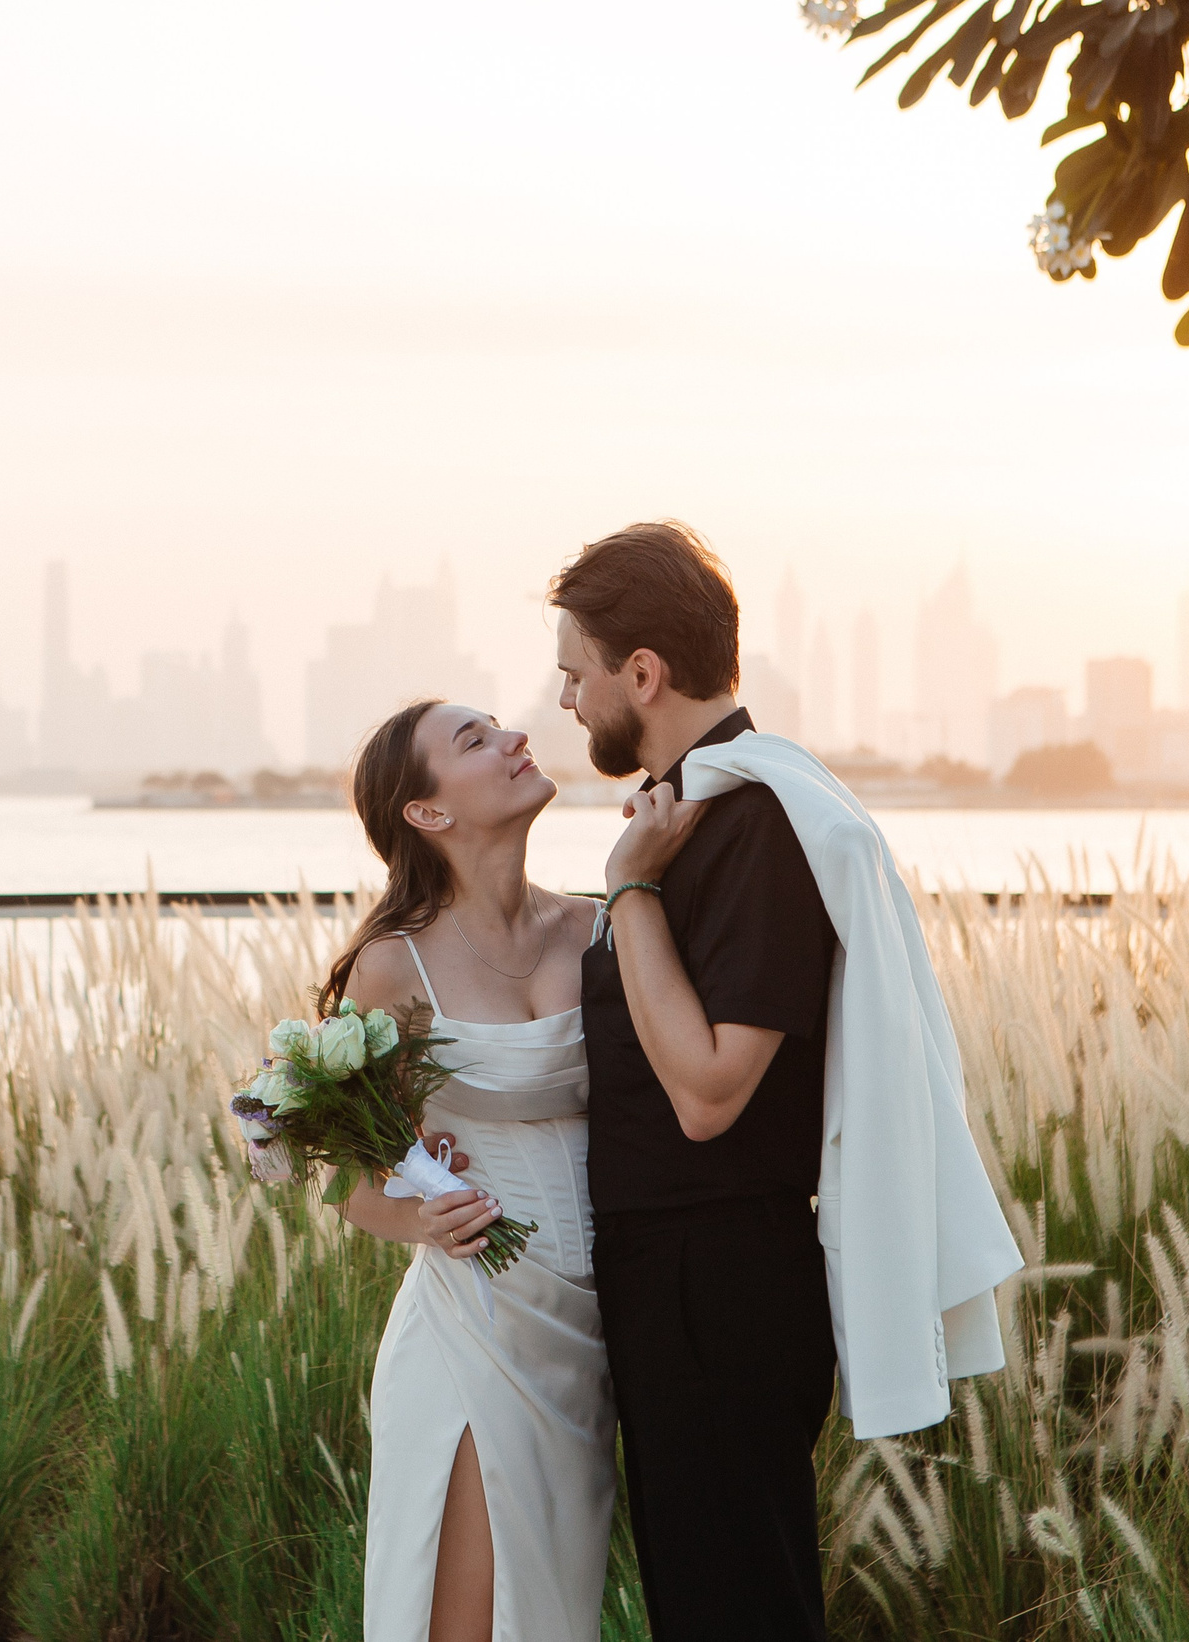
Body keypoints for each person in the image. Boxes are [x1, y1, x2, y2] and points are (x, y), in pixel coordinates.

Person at [548, 522, 841, 1641]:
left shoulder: (755, 819)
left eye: (575, 671)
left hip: (717, 1282)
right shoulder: (693, 810)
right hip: (675, 1279)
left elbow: (710, 1091)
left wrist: (628, 893)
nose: (566, 700)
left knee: (737, 1607)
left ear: (642, 672)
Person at [327, 698, 614, 1642]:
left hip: (586, 1331)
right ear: (428, 813)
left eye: (501, 727)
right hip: (474, 1323)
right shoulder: (393, 968)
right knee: (468, 1619)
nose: (513, 739)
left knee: (553, 1612)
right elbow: (356, 1186)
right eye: (475, 741)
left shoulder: (601, 928)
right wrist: (424, 1219)